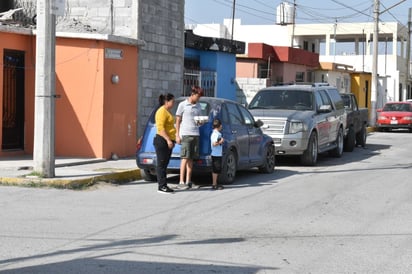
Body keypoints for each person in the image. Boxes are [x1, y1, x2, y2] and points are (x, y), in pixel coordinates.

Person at [175, 86, 203, 189]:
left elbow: (199, 121)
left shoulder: (199, 106)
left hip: (195, 134)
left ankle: (188, 181)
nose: (198, 99)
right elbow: (177, 120)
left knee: (191, 159)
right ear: (193, 94)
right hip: (186, 134)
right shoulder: (182, 105)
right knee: (184, 158)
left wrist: (201, 122)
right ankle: (181, 181)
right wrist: (177, 135)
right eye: (198, 96)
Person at [154, 93, 176, 194]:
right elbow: (161, 128)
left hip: (168, 140)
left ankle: (164, 184)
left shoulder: (168, 111)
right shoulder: (162, 111)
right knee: (161, 164)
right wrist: (168, 140)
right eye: (172, 101)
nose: (173, 103)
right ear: (167, 102)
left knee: (165, 164)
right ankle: (161, 186)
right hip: (162, 140)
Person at [210, 118, 224, 190]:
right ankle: (214, 184)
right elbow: (214, 144)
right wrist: (220, 142)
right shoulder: (215, 134)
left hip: (218, 154)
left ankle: (216, 183)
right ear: (219, 126)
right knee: (215, 169)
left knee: (218, 169)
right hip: (215, 154)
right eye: (221, 125)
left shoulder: (218, 133)